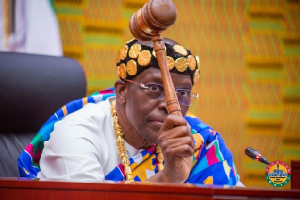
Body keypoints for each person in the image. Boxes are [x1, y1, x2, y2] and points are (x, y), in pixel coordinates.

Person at [18, 38, 242, 186]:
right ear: (122, 91)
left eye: (182, 92)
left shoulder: (198, 140)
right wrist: (169, 178)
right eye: (154, 88)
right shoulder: (76, 134)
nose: (170, 105)